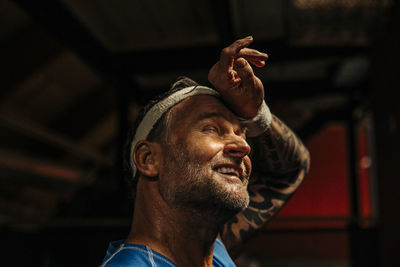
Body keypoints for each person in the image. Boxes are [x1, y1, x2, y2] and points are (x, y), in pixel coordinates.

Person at [100, 36, 310, 267]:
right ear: (148, 159)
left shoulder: (209, 249)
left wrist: (255, 116)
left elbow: (291, 169)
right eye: (211, 128)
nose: (244, 146)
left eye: (241, 133)